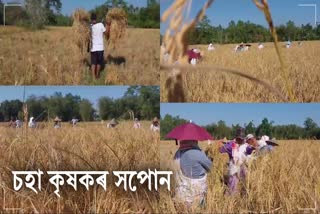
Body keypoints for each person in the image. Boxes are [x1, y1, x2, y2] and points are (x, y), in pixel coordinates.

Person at [174, 140, 212, 208]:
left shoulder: (177, 153)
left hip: (181, 191)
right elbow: (210, 167)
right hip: (197, 190)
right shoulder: (197, 153)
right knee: (198, 208)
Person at [219, 128, 253, 195]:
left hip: (243, 165)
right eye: (239, 138)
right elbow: (221, 150)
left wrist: (252, 149)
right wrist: (220, 145)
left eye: (242, 138)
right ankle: (231, 196)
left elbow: (249, 151)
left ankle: (243, 194)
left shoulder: (246, 145)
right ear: (236, 137)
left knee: (244, 180)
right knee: (233, 181)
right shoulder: (231, 145)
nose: (240, 140)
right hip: (234, 165)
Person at [90, 13, 110, 79]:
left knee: (93, 63)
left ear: (91, 19)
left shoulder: (90, 27)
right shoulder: (101, 25)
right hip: (100, 48)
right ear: (96, 19)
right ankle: (97, 75)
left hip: (93, 48)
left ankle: (93, 77)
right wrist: (108, 25)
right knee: (99, 63)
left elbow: (87, 37)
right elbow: (106, 33)